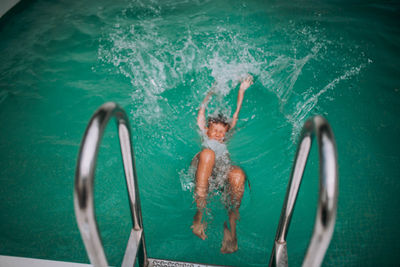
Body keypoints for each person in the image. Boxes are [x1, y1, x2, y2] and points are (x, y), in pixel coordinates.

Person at [191, 75, 253, 254]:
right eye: (215, 131)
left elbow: (235, 115)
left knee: (238, 174)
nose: (219, 135)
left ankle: (232, 230)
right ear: (207, 128)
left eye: (221, 132)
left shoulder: (226, 136)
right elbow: (201, 110)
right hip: (203, 167)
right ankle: (199, 214)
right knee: (209, 154)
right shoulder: (203, 130)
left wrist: (241, 90)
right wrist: (212, 89)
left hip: (220, 172)